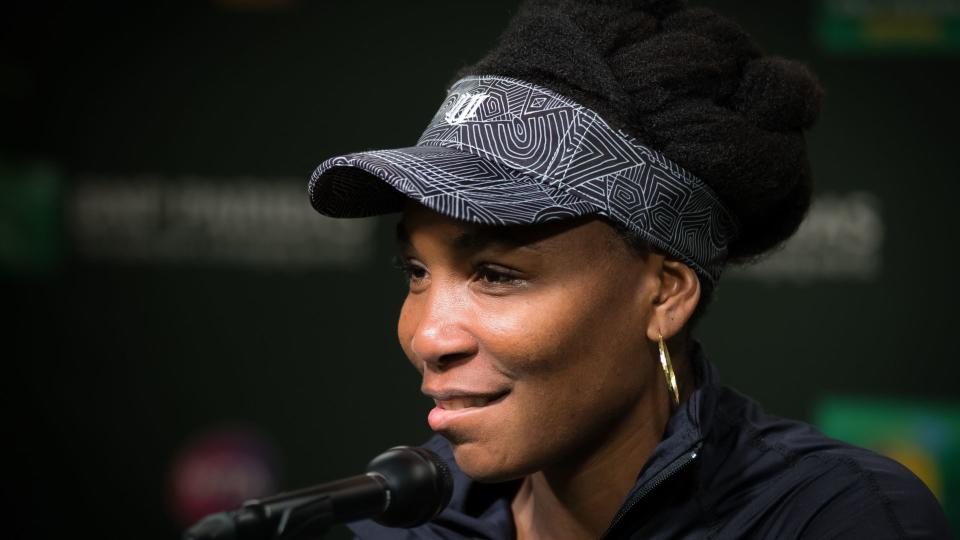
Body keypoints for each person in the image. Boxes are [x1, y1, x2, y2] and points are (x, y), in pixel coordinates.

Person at [307, 0, 950, 538]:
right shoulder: (399, 522)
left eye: (497, 274)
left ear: (666, 294)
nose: (427, 337)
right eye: (416, 271)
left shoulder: (834, 519)